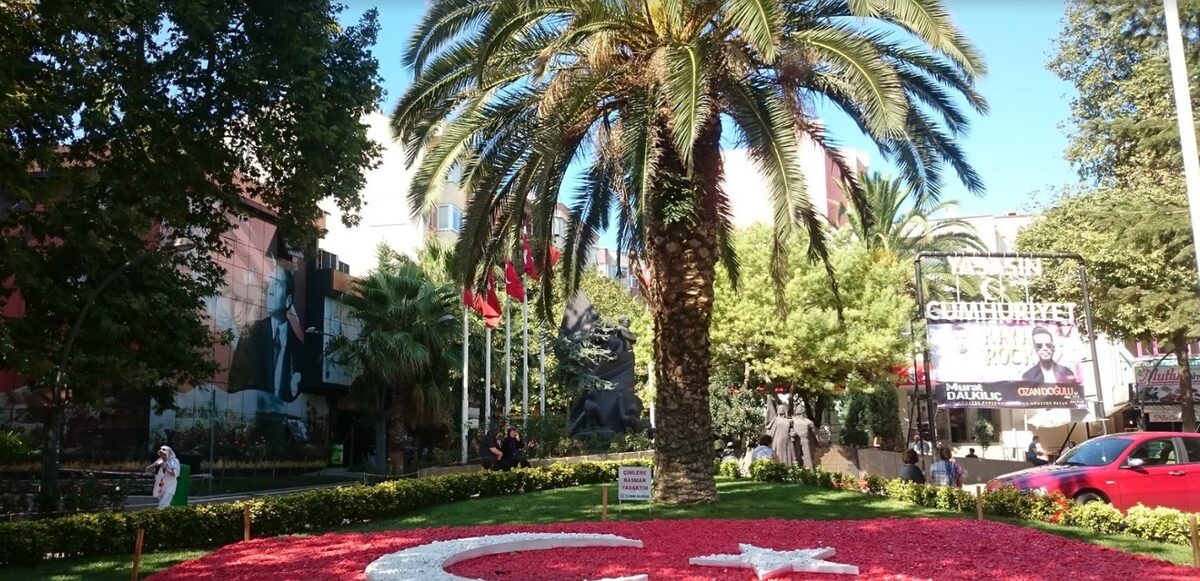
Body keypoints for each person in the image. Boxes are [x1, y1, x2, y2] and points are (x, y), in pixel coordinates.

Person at [228, 258, 304, 401]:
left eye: (277, 285)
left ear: (288, 300)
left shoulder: (298, 350)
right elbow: (235, 383)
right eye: (270, 284)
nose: (270, 291)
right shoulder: (252, 333)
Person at [146, 445, 181, 509]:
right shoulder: (160, 460)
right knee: (164, 505)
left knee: (163, 505)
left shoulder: (174, 461)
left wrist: (166, 467)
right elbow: (148, 469)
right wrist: (153, 466)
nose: (162, 456)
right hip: (161, 486)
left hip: (170, 486)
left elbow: (176, 474)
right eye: (161, 454)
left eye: (164, 454)